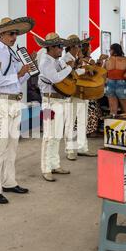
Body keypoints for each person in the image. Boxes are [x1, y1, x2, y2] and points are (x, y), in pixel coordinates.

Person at [0, 17, 35, 204]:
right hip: (3, 103)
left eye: (16, 33)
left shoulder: (12, 53)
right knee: (0, 146)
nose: (15, 36)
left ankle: (9, 181)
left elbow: (17, 82)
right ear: (1, 33)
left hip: (15, 101)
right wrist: (18, 74)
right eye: (11, 33)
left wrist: (26, 72)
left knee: (13, 146)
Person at [36, 33, 73, 182]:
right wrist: (69, 68)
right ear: (51, 47)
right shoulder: (45, 62)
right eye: (59, 46)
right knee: (48, 136)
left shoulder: (55, 61)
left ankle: (54, 164)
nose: (61, 49)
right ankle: (46, 167)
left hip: (58, 101)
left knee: (57, 135)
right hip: (49, 102)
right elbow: (56, 78)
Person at [62, 35, 97, 161]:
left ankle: (82, 147)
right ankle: (70, 149)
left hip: (81, 92)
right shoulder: (66, 58)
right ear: (72, 46)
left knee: (83, 120)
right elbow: (71, 74)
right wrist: (85, 70)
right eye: (77, 46)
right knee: (71, 121)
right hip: (72, 93)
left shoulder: (77, 58)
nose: (79, 48)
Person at [105, 43, 126, 116]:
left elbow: (103, 72)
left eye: (110, 50)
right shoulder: (125, 59)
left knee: (113, 112)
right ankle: (125, 126)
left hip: (110, 84)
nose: (109, 51)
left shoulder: (108, 60)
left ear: (113, 50)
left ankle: (114, 126)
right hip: (122, 84)